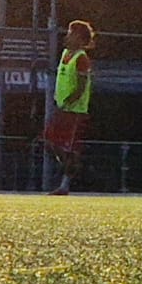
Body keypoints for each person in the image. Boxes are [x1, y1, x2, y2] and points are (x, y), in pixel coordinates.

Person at [43, 20, 95, 195]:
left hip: (74, 111)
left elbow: (81, 87)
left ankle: (65, 184)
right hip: (62, 108)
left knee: (69, 147)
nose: (67, 36)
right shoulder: (66, 53)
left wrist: (69, 102)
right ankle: (70, 166)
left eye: (71, 33)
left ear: (79, 37)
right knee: (50, 141)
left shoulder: (81, 58)